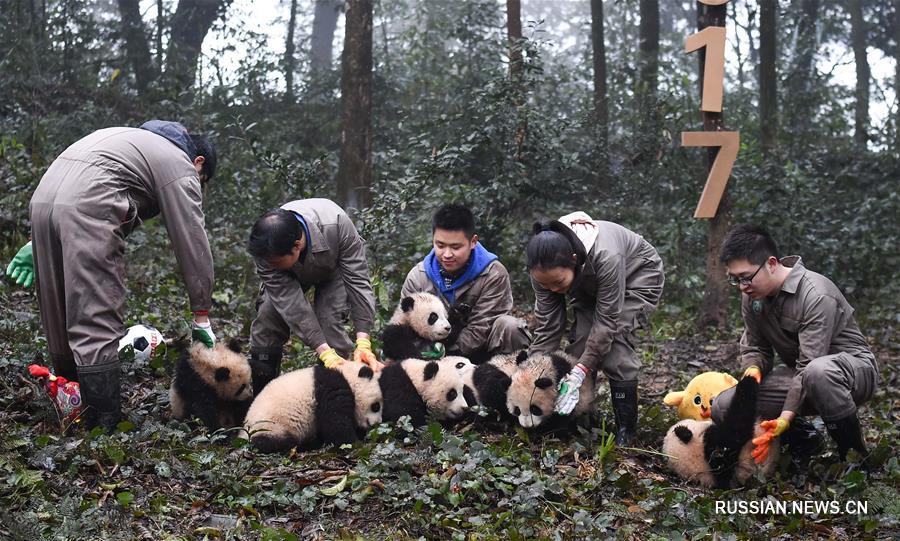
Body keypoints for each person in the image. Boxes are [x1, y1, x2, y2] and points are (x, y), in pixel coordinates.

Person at [5, 120, 218, 431]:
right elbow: (192, 241)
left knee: (60, 307)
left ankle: (72, 393)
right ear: (198, 163)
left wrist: (35, 241)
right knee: (95, 309)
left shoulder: (125, 140)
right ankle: (101, 422)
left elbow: (82, 183)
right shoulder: (178, 163)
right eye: (203, 180)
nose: (200, 186)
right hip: (88, 205)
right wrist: (202, 313)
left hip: (43, 202)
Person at [713, 224, 878, 463]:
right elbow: (755, 346)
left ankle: (855, 457)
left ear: (771, 263)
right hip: (804, 375)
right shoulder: (752, 297)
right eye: (735, 279)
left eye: (746, 277)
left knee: (818, 372)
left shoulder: (816, 294)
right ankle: (806, 440)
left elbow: (810, 364)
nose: (742, 286)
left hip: (853, 374)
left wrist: (785, 417)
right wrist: (753, 370)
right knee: (725, 406)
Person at [526, 212, 664, 445]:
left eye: (558, 283)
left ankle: (626, 430)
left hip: (636, 277)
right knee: (580, 345)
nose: (552, 289)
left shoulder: (606, 255)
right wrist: (532, 368)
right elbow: (549, 325)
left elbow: (607, 322)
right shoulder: (541, 271)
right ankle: (581, 416)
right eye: (544, 284)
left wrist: (579, 372)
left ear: (573, 259)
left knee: (615, 349)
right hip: (586, 284)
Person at [246, 199, 381, 394]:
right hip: (287, 275)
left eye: (274, 261)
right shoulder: (266, 251)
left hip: (334, 269)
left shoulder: (338, 225)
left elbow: (358, 282)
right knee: (268, 318)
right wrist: (324, 352)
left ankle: (331, 395)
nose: (268, 264)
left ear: (297, 245)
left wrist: (363, 341)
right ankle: (263, 395)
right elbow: (292, 306)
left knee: (330, 320)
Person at [401, 204, 530, 363]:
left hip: (483, 354)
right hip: (431, 357)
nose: (447, 254)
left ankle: (512, 381)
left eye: (456, 247)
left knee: (509, 327)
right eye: (440, 245)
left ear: (473, 242)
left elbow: (481, 328)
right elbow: (405, 326)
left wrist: (447, 356)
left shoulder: (493, 274)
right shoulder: (418, 277)